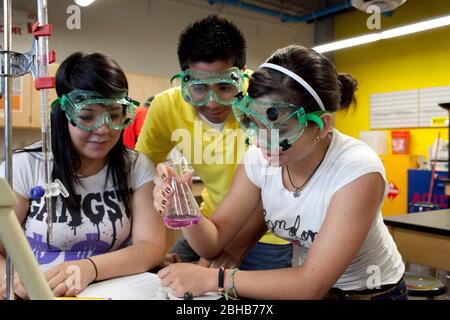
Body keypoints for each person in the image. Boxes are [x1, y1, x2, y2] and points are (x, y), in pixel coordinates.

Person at [155, 45, 407, 300]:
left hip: (371, 294)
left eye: (281, 129)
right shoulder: (260, 158)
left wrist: (214, 279)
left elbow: (310, 285)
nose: (263, 141)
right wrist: (184, 207)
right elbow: (214, 241)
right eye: (255, 123)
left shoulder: (357, 170)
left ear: (322, 126)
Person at [0, 52, 165, 299]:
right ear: (64, 114)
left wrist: (89, 268)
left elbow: (150, 247)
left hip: (112, 290)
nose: (103, 129)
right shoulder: (26, 165)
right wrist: (9, 278)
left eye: (114, 115)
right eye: (87, 117)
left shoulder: (136, 166)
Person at [136, 15, 292, 270]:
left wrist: (234, 249)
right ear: (185, 79)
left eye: (224, 86)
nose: (212, 101)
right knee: (160, 277)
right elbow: (140, 169)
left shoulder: (264, 102)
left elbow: (279, 187)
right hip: (210, 222)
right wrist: (159, 187)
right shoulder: (166, 106)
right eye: (199, 88)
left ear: (241, 77)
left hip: (266, 233)